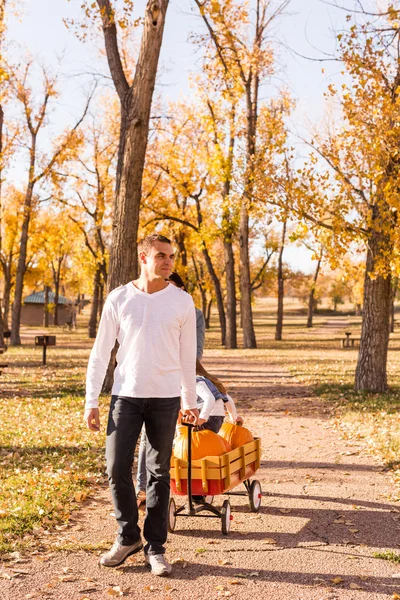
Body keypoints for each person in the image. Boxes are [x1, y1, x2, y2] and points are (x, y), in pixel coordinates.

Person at [84, 233, 199, 576]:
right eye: (162, 256)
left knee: (159, 474)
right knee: (116, 467)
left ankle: (156, 547)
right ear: (144, 258)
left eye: (172, 256)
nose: (168, 261)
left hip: (165, 399)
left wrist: (189, 400)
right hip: (126, 396)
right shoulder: (119, 299)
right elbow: (100, 353)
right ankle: (127, 537)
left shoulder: (182, 302)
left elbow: (186, 357)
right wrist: (91, 400)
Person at [135, 272, 205, 511]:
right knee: (148, 436)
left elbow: (195, 350)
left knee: (184, 434)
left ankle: (194, 485)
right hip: (153, 379)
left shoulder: (193, 313)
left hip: (179, 374)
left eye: (172, 287)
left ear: (182, 289)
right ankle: (143, 488)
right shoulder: (150, 305)